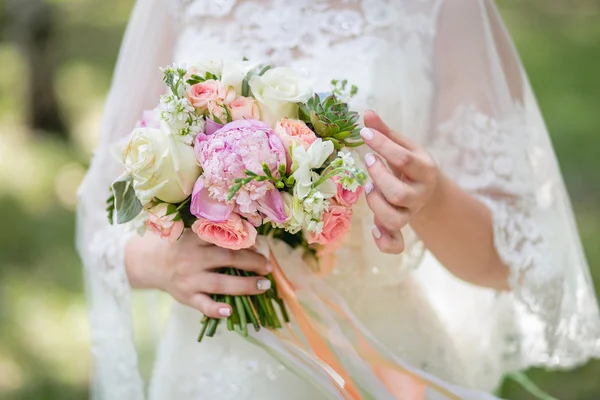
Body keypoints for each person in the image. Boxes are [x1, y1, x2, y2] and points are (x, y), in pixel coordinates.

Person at [77, 0, 600, 399]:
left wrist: (432, 199)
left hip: (381, 360)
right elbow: (101, 208)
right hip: (211, 368)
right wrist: (159, 261)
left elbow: (510, 259)